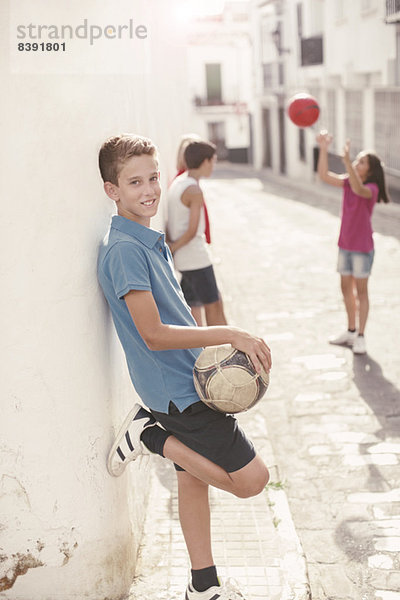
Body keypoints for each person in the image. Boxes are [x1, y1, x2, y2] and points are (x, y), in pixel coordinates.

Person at [97, 134, 272, 600]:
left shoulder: (146, 239)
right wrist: (229, 333)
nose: (149, 189)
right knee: (252, 481)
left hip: (185, 381)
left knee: (193, 482)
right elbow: (153, 333)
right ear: (112, 190)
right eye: (134, 182)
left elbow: (172, 316)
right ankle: (149, 435)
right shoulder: (125, 250)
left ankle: (202, 585)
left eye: (153, 177)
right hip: (177, 392)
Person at [316, 130, 389, 354]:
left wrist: (347, 161)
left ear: (371, 169)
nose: (358, 163)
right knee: (345, 288)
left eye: (362, 161)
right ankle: (350, 330)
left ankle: (361, 336)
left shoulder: (371, 189)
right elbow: (324, 176)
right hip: (344, 245)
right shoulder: (348, 181)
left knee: (361, 292)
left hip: (362, 248)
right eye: (357, 160)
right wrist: (324, 149)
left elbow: (359, 189)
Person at [167, 140, 227, 327]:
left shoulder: (178, 183)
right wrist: (172, 248)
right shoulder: (194, 190)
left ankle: (202, 352)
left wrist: (174, 250)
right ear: (205, 161)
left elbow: (172, 223)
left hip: (184, 260)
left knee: (192, 308)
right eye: (213, 161)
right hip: (196, 259)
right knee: (214, 306)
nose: (213, 166)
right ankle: (225, 350)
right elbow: (192, 230)